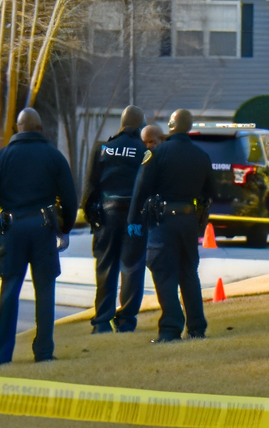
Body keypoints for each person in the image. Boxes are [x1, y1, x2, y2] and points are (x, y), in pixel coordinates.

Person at [0, 107, 78, 363]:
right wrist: (65, 228)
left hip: (12, 229)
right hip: (44, 228)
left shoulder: (1, 158)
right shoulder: (54, 157)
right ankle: (44, 352)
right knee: (45, 290)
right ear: (40, 127)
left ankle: (2, 355)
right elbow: (69, 198)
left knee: (10, 289)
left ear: (18, 127)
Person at [126, 108, 215, 343]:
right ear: (189, 126)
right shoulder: (201, 155)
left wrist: (133, 220)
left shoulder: (157, 154)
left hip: (163, 221)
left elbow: (141, 189)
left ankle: (170, 329)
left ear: (171, 126)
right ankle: (196, 328)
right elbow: (210, 192)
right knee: (188, 274)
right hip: (188, 220)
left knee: (164, 273)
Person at [82, 105, 147, 334]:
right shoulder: (144, 151)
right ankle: (126, 321)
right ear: (141, 125)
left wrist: (92, 217)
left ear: (122, 122)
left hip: (106, 214)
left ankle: (101, 321)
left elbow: (90, 186)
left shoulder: (103, 148)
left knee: (105, 266)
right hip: (133, 216)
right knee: (132, 267)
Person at [107, 123, 165, 332]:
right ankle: (124, 317)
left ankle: (125, 317)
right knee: (132, 267)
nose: (148, 145)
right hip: (136, 216)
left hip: (147, 217)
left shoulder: (153, 157)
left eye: (152, 141)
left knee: (136, 267)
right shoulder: (145, 157)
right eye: (145, 142)